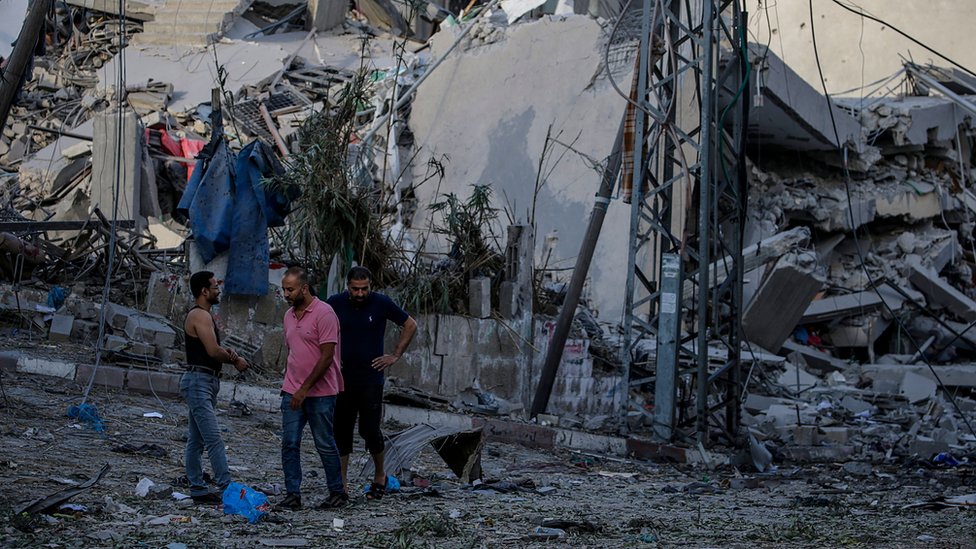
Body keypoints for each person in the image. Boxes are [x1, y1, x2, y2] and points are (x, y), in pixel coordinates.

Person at [327, 266, 417, 500]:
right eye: (355, 289)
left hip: (371, 380)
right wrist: (331, 358)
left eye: (364, 289)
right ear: (348, 286)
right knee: (341, 432)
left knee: (370, 430)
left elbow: (410, 325)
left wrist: (395, 355)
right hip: (343, 380)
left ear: (370, 286)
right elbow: (320, 329)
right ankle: (342, 484)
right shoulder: (334, 303)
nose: (360, 294)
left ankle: (380, 475)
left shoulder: (381, 303)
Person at [277, 267, 349, 510]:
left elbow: (327, 357)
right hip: (292, 390)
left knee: (324, 443)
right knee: (289, 443)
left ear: (304, 288)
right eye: (284, 289)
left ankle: (337, 492)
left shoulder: (324, 313)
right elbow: (294, 352)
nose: (286, 294)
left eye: (291, 289)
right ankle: (292, 495)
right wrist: (291, 385)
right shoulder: (288, 315)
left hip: (320, 393)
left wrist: (304, 389)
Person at [180, 271, 250, 504]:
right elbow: (212, 350)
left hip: (205, 381)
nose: (218, 289)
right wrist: (235, 359)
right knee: (213, 438)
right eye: (214, 286)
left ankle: (198, 489)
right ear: (204, 291)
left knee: (197, 440)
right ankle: (226, 487)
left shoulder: (204, 315)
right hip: (199, 381)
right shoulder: (200, 315)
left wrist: (228, 353)